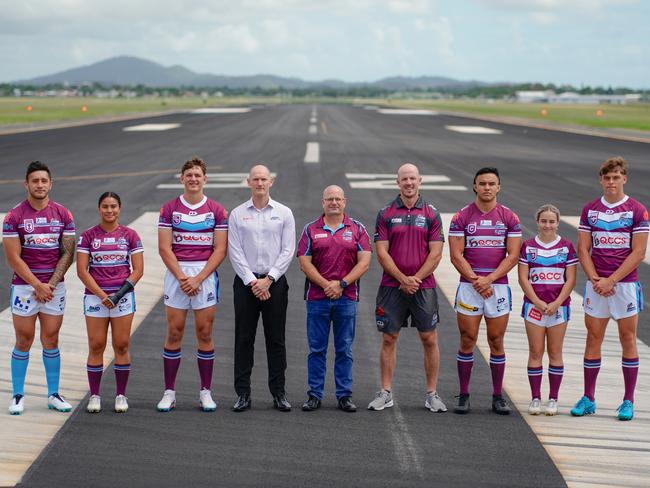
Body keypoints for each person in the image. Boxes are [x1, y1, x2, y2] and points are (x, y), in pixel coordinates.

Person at [571, 157, 648, 421]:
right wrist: (595, 279)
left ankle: (628, 401)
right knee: (593, 339)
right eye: (607, 178)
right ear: (601, 180)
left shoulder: (637, 210)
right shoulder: (590, 209)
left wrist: (611, 280)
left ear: (624, 178)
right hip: (596, 285)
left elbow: (638, 253)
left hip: (624, 285)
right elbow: (583, 248)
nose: (612, 182)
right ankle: (588, 397)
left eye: (616, 177)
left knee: (628, 339)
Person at [367, 163, 447, 413]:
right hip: (392, 286)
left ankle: (432, 394)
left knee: (429, 338)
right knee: (389, 337)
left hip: (423, 287)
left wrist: (415, 280)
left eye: (413, 178)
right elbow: (382, 253)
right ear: (397, 182)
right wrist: (403, 278)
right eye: (404, 179)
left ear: (420, 180)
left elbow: (436, 254)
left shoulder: (432, 213)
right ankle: (386, 392)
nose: (409, 183)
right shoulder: (386, 213)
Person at [3, 161, 76, 415]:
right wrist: (37, 285)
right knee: (24, 340)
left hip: (54, 288)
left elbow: (68, 253)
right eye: (35, 181)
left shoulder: (63, 214)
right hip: (25, 288)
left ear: (50, 184)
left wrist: (51, 285)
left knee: (51, 339)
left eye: (44, 181)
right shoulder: (14, 216)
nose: (40, 185)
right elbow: (13, 258)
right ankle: (17, 395)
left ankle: (53, 394)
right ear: (26, 184)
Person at [157, 157, 228, 412]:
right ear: (182, 178)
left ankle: (205, 392)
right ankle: (169, 392)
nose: (193, 179)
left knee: (204, 333)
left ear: (205, 179)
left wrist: (198, 278)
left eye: (198, 175)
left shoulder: (217, 210)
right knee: (174, 332)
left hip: (204, 274)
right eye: (189, 175)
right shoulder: (169, 208)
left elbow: (220, 250)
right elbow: (164, 248)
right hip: (177, 274)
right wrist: (182, 278)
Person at [449, 167, 521, 415]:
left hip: (497, 287)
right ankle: (464, 394)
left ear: (498, 187)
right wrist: (476, 279)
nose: (487, 187)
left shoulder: (510, 217)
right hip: (470, 287)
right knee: (467, 339)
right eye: (482, 183)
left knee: (496, 340)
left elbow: (513, 256)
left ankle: (498, 396)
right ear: (475, 186)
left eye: (492, 183)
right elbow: (456, 255)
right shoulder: (461, 217)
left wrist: (489, 279)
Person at [297, 185, 371, 413]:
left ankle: (344, 395)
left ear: (344, 202)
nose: (334, 203)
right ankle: (314, 395)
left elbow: (365, 261)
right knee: (317, 349)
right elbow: (304, 261)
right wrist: (326, 285)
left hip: (346, 297)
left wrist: (341, 284)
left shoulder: (357, 229)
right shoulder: (310, 229)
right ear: (323, 203)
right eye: (329, 199)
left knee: (344, 349)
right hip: (317, 298)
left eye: (338, 199)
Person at [228, 164, 295, 412]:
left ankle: (279, 393)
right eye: (255, 179)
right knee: (243, 339)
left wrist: (269, 279)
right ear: (248, 182)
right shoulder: (236, 214)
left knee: (275, 340)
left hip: (274, 283)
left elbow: (288, 250)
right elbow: (234, 251)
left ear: (271, 182)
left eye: (263, 179)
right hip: (246, 284)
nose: (259, 183)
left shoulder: (284, 213)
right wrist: (252, 281)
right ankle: (243, 394)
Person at [77, 192, 144, 413]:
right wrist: (102, 295)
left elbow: (138, 270)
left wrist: (118, 295)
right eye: (105, 206)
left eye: (113, 206)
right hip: (96, 298)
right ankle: (94, 395)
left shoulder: (130, 235)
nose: (109, 210)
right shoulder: (87, 236)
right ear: (99, 209)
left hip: (122, 298)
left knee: (121, 345)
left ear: (120, 208)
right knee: (96, 345)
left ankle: (120, 395)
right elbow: (82, 271)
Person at [518, 204, 577, 416]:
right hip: (533, 307)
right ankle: (535, 398)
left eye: (552, 221)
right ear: (537, 222)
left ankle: (553, 398)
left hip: (558, 308)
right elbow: (523, 278)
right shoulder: (528, 246)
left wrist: (557, 302)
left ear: (558, 223)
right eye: (544, 221)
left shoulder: (567, 247)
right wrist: (536, 301)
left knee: (554, 352)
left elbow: (571, 279)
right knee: (535, 352)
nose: (548, 225)